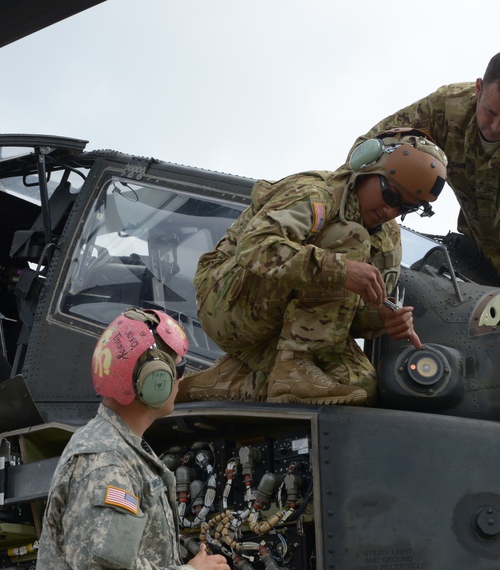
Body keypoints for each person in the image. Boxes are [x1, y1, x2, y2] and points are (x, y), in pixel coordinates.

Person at [26, 308, 239, 570]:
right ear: (154, 380)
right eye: (178, 370)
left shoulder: (124, 453)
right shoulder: (108, 463)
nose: (180, 380)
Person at [178, 129, 447, 406]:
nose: (391, 212)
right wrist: (340, 270)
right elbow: (255, 246)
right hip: (227, 303)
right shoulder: (316, 193)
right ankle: (293, 368)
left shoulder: (388, 238)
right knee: (350, 238)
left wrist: (382, 317)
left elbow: (349, 316)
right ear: (367, 168)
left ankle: (225, 382)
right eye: (390, 196)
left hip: (286, 331)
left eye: (405, 207)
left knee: (360, 389)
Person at [353, 48, 500, 304]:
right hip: (483, 255)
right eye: (490, 112)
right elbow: (376, 145)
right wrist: (344, 197)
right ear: (479, 88)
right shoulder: (447, 108)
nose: (496, 126)